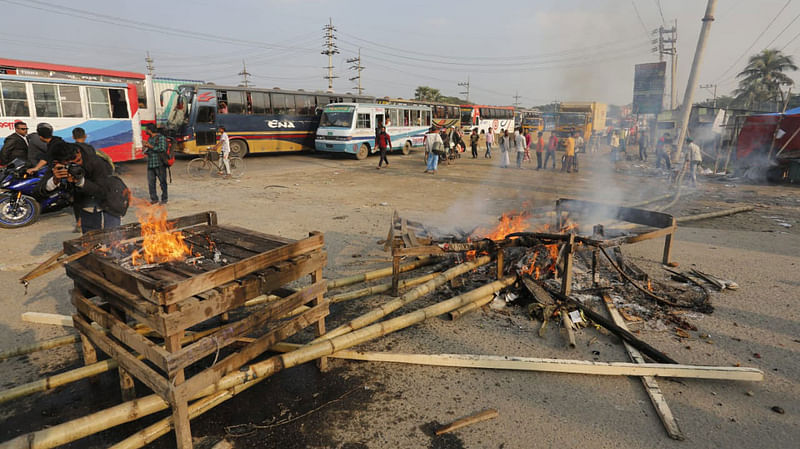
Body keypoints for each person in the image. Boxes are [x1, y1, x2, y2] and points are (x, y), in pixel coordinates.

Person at [36, 140, 120, 233]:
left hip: (110, 195)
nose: (77, 165)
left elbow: (103, 191)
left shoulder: (95, 162)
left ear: (79, 152)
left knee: (113, 233)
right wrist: (55, 180)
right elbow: (38, 192)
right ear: (60, 162)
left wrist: (80, 182)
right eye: (71, 164)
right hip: (85, 199)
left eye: (78, 161)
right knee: (91, 235)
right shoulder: (57, 165)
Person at [143, 125, 168, 204]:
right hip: (151, 164)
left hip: (159, 164)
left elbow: (162, 149)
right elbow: (150, 149)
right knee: (151, 183)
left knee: (162, 182)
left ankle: (164, 199)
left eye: (146, 129)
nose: (145, 131)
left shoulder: (161, 138)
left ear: (150, 130)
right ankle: (154, 199)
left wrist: (149, 146)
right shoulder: (150, 138)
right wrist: (145, 149)